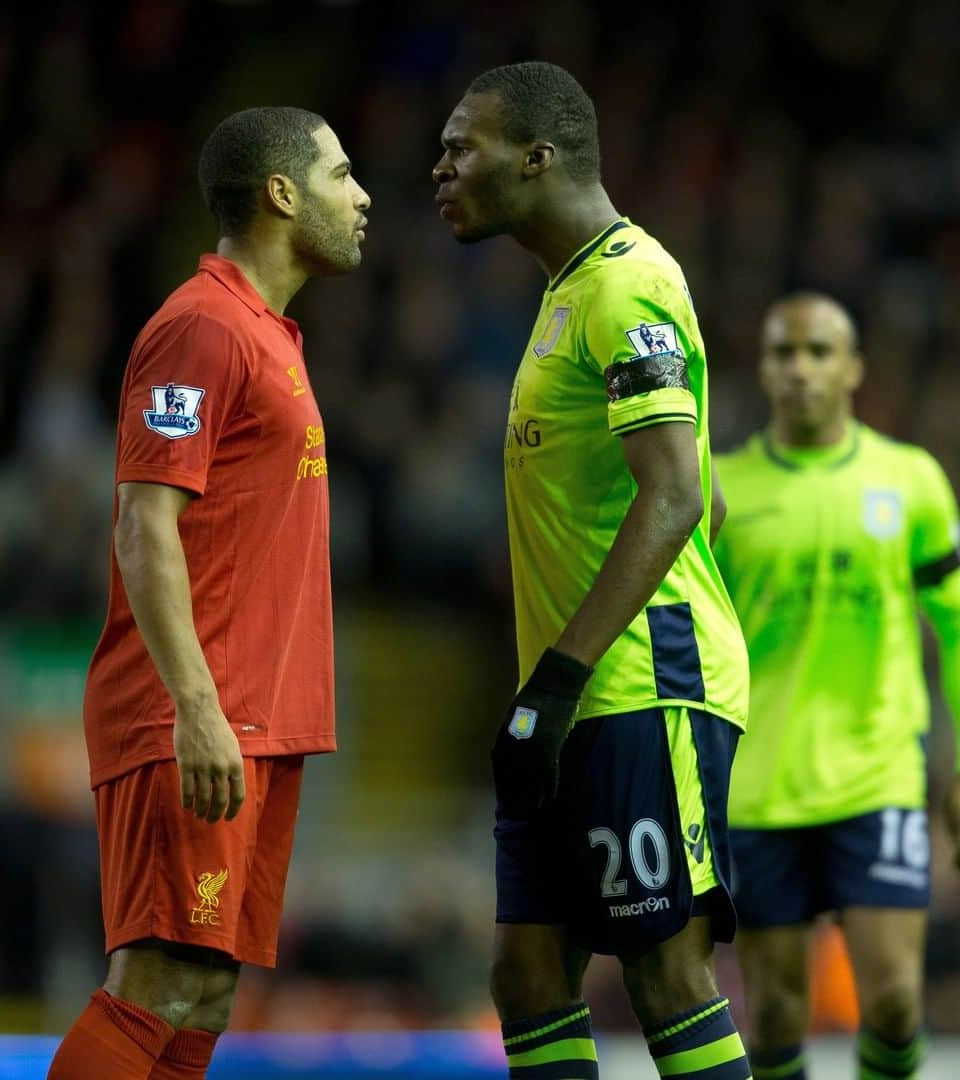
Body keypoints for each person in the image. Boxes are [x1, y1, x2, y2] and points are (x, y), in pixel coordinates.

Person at [433, 62, 751, 1080]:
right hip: (570, 696)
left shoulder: (629, 283)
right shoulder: (568, 292)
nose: (439, 168)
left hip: (639, 683)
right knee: (527, 976)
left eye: (460, 146)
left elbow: (677, 495)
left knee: (665, 976)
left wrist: (560, 681)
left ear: (538, 157)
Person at [48, 107, 370, 1080]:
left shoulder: (268, 335)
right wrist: (196, 708)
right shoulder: (198, 329)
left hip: (254, 719)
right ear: (282, 194)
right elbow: (142, 526)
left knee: (204, 993)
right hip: (195, 712)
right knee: (153, 980)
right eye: (341, 175)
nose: (362, 197)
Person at [713, 292, 960, 1080]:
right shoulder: (721, 492)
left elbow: (955, 629)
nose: (800, 369)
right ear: (762, 369)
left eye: (819, 352)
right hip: (757, 788)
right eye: (784, 353)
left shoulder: (912, 481)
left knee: (890, 1003)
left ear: (853, 368)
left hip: (877, 777)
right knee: (780, 1015)